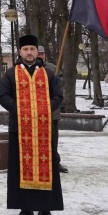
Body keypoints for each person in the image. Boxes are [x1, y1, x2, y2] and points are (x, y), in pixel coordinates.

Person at [0, 34, 63, 215]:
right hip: (20, 128)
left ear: (37, 52)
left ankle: (45, 208)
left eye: (32, 49)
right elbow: (3, 96)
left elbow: (58, 96)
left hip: (44, 129)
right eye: (25, 49)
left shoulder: (48, 73)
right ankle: (25, 207)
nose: (29, 52)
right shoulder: (11, 73)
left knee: (46, 167)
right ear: (20, 52)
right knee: (21, 167)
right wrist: (21, 109)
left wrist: (44, 109)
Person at [38, 46, 67, 174]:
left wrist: (55, 82)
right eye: (38, 54)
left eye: (42, 54)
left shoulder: (52, 67)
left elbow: (62, 81)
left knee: (53, 138)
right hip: (34, 110)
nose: (40, 56)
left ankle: (55, 162)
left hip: (52, 111)